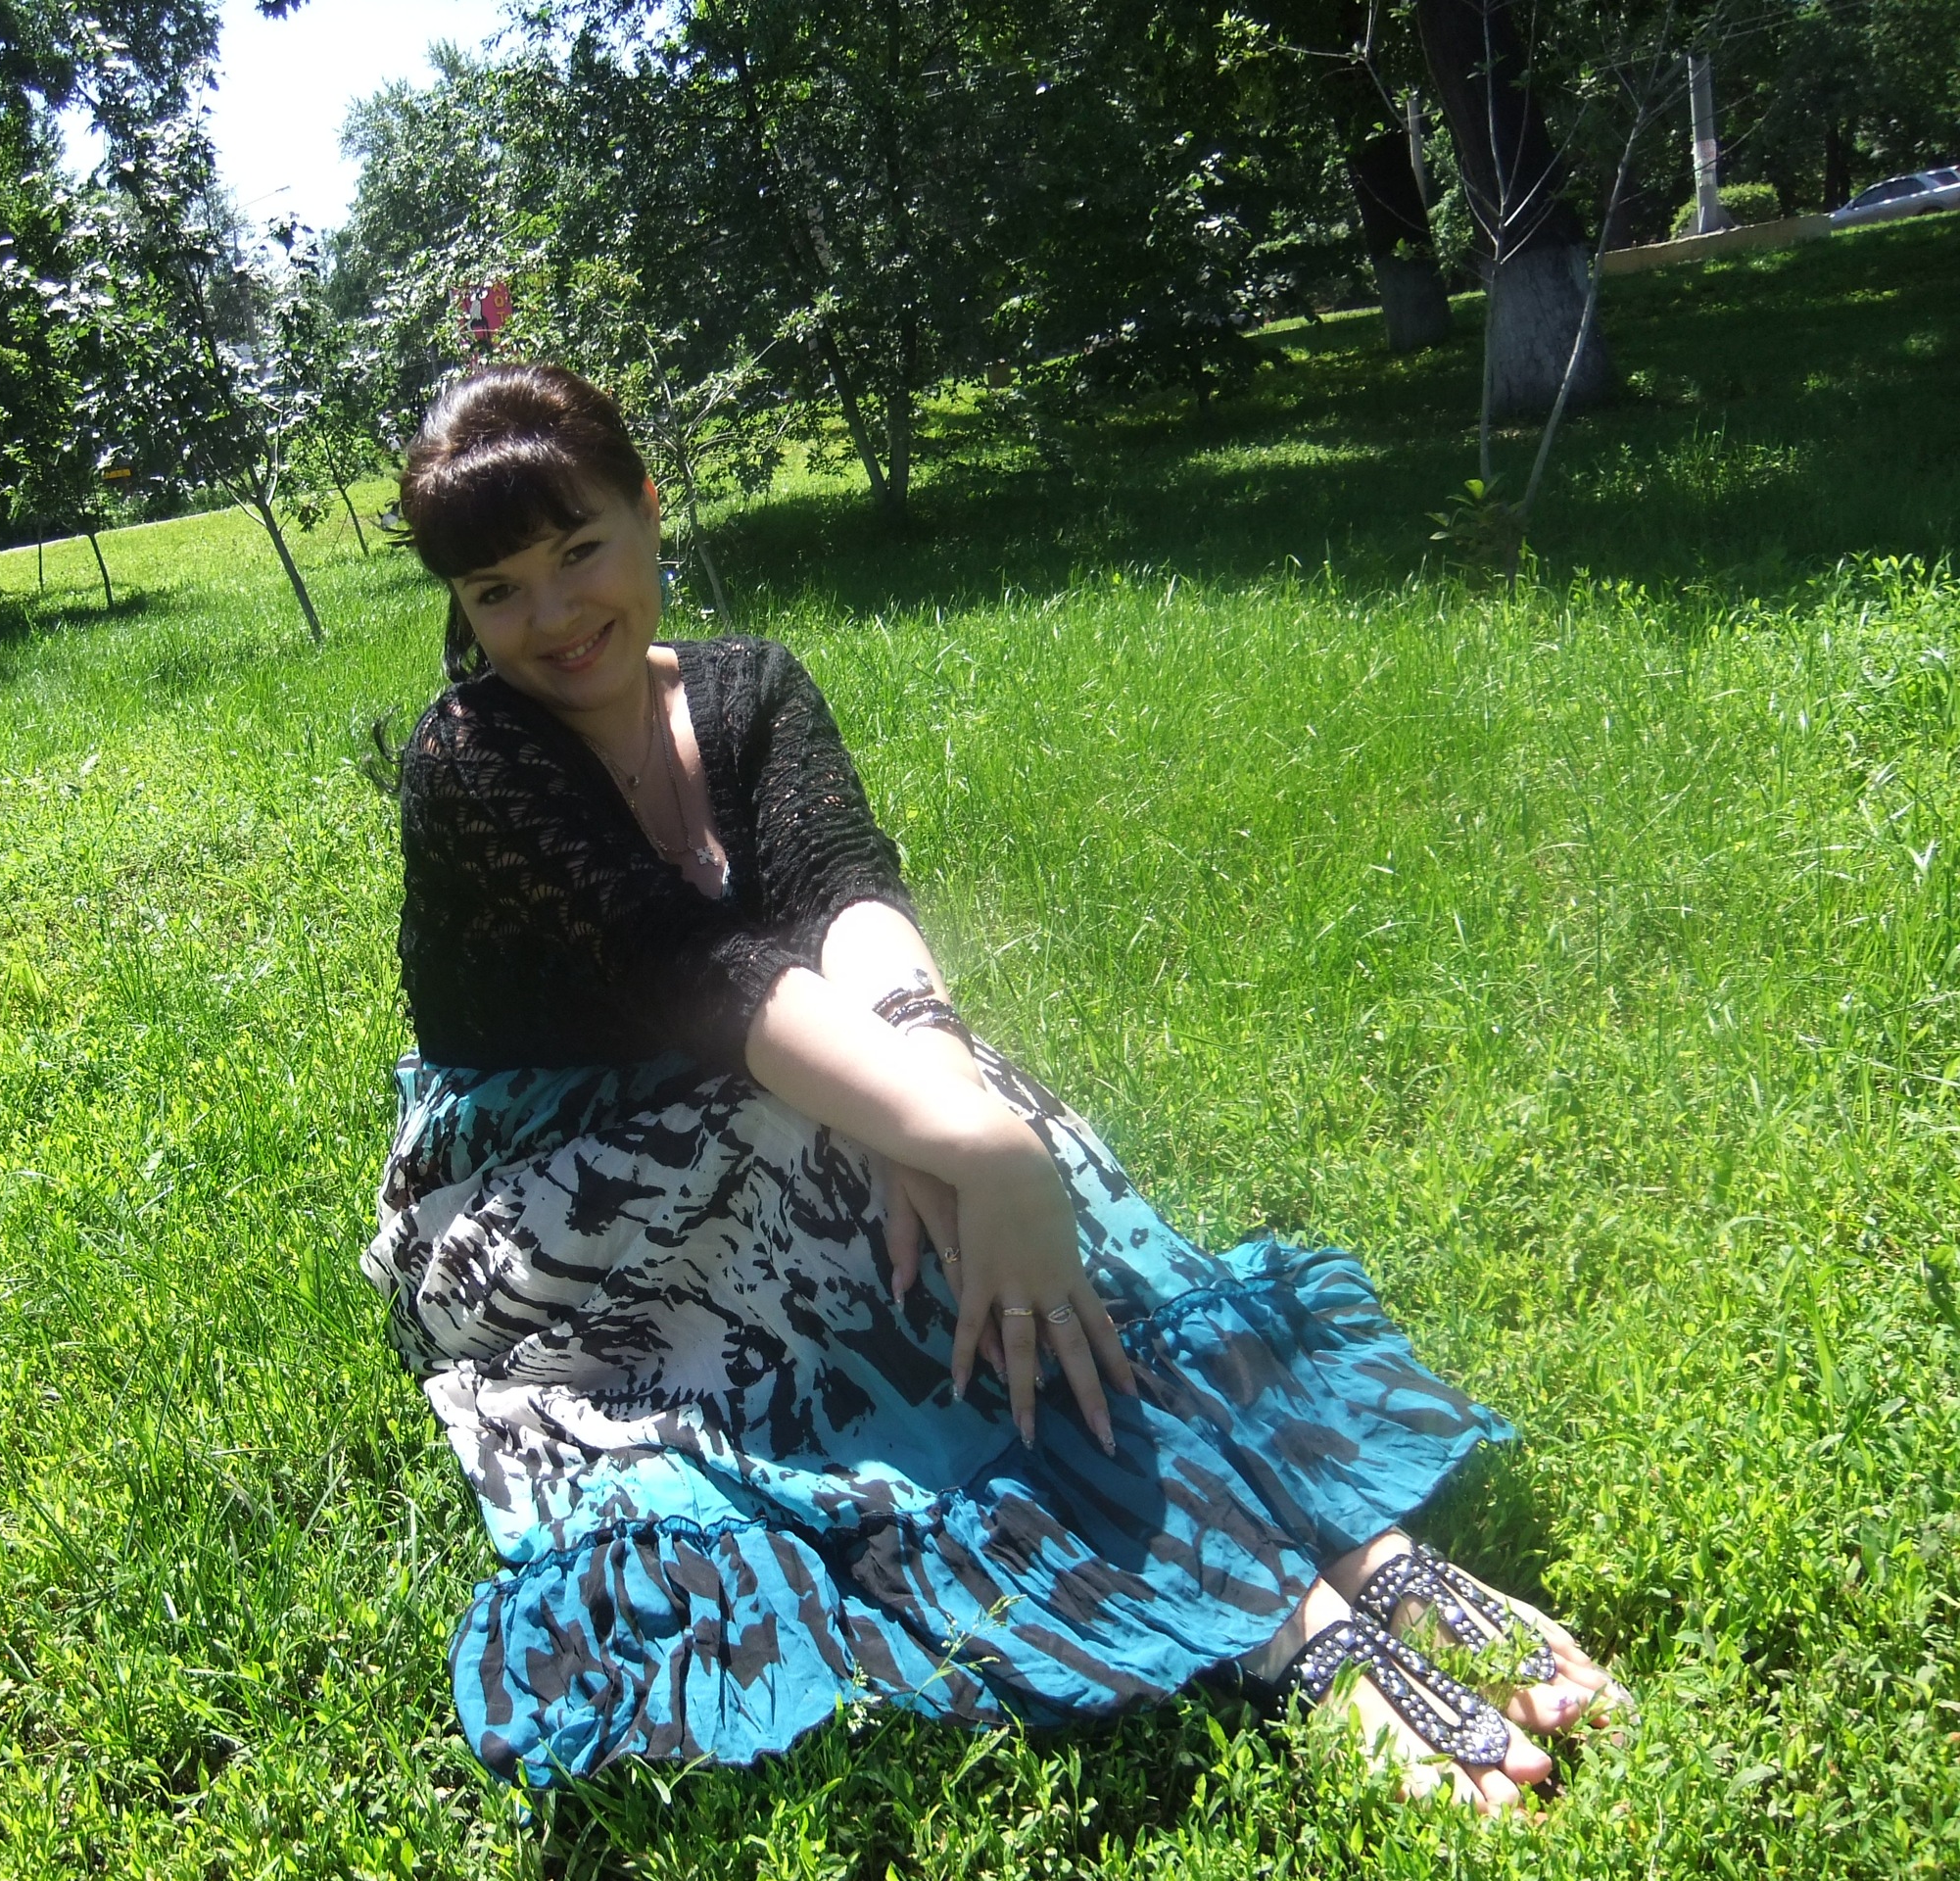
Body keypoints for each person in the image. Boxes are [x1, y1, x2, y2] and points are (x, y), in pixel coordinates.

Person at [364, 363, 1625, 1809]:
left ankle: (1350, 1537)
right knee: (854, 1152)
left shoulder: (747, 686)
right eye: (496, 590)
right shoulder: (473, 759)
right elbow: (694, 973)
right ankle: (1274, 1611)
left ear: (651, 512)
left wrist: (968, 1111)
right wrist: (968, 1149)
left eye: (579, 549)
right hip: (541, 1195)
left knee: (985, 1116)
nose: (551, 617)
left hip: (771, 1072)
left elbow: (846, 892)